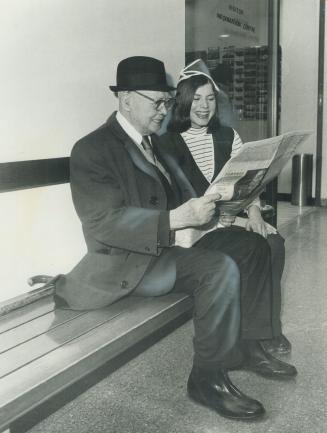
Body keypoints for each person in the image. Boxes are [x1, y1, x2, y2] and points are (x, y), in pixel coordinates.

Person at [54, 56, 296, 421]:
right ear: (126, 99)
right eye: (158, 102)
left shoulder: (155, 144)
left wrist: (211, 209)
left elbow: (179, 198)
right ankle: (207, 377)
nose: (165, 109)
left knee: (252, 246)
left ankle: (248, 344)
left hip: (170, 246)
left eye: (166, 102)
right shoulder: (93, 149)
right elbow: (102, 222)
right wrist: (174, 219)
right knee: (217, 269)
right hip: (130, 262)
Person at [160, 59, 290, 356]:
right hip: (195, 231)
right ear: (182, 101)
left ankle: (268, 330)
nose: (204, 107)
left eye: (209, 99)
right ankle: (253, 335)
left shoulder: (228, 135)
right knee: (254, 248)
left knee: (274, 242)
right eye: (196, 99)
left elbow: (249, 179)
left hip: (232, 217)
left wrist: (254, 213)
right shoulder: (167, 143)